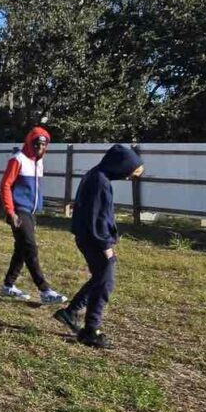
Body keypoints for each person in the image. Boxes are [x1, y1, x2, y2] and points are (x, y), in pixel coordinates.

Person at [54, 144, 144, 349]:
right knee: (106, 282)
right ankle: (91, 330)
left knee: (100, 278)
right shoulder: (99, 182)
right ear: (121, 165)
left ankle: (70, 312)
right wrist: (106, 246)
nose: (130, 178)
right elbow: (97, 218)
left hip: (89, 237)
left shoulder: (95, 176)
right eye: (131, 173)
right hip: (94, 239)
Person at [0, 127, 67, 303]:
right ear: (29, 142)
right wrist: (10, 212)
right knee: (30, 249)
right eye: (36, 143)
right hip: (19, 211)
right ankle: (45, 291)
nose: (40, 147)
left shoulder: (38, 161)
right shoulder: (18, 159)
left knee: (21, 249)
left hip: (31, 212)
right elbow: (5, 185)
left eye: (43, 144)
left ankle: (8, 285)